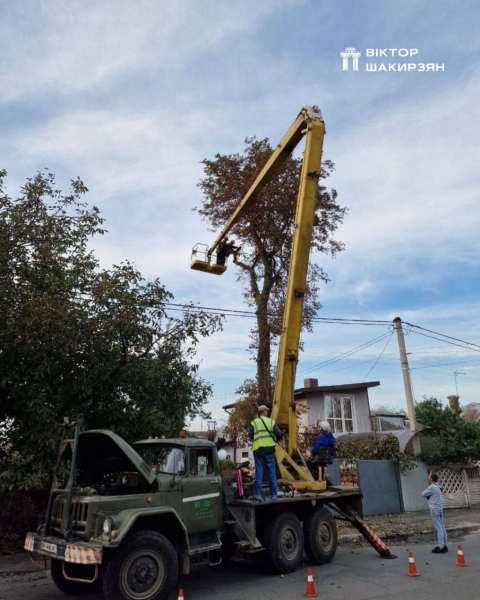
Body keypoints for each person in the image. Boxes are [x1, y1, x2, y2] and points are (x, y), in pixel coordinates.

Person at [248, 405, 282, 501]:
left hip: (258, 450)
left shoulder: (254, 422)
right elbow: (279, 433)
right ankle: (274, 495)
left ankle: (258, 495)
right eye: (267, 411)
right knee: (272, 472)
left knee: (259, 473)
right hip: (269, 450)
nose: (267, 412)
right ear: (264, 412)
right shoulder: (271, 421)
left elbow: (250, 435)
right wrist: (275, 440)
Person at [422, 472, 448, 553]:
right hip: (439, 508)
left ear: (431, 478)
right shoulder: (438, 486)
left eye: (429, 475)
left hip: (434, 509)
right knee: (442, 526)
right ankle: (444, 545)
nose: (428, 476)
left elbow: (423, 494)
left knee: (439, 527)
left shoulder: (432, 487)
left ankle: (440, 546)